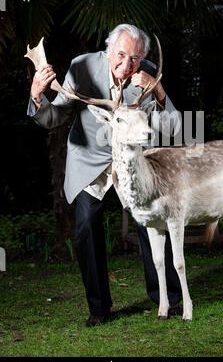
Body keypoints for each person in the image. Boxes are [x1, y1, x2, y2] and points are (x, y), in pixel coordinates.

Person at [27, 23, 182, 326]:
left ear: (144, 57)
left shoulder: (148, 73)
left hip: (134, 162)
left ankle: (168, 298)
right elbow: (54, 118)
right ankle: (99, 309)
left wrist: (159, 89)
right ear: (108, 50)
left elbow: (173, 128)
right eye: (120, 55)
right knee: (85, 227)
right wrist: (37, 97)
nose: (127, 65)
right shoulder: (82, 67)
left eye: (135, 58)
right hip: (91, 160)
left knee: (149, 223)